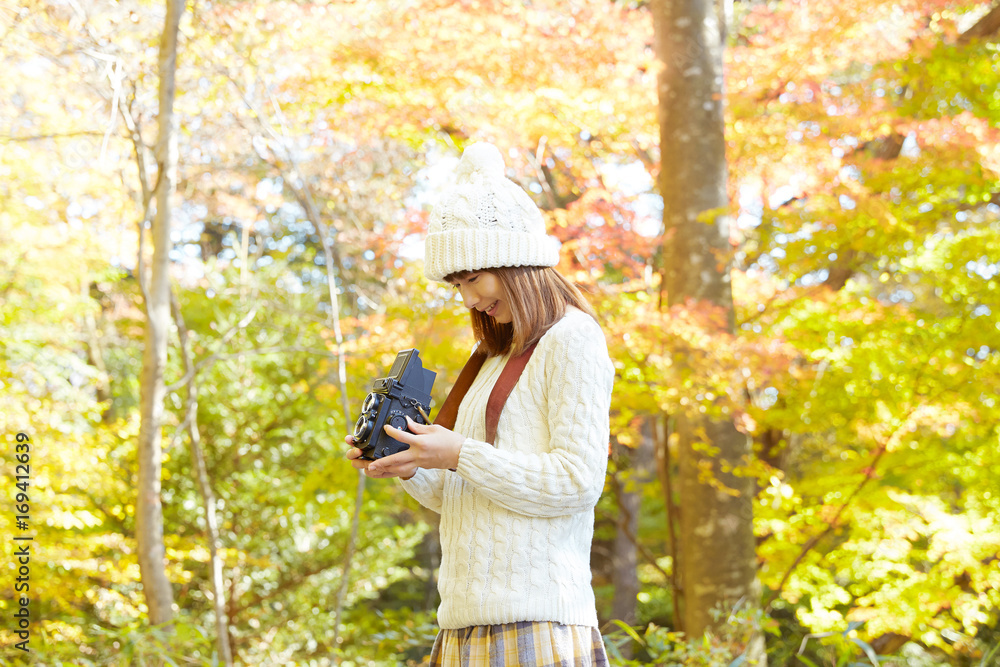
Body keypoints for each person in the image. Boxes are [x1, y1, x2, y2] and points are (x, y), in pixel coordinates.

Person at [346, 142, 615, 666]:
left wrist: (459, 453)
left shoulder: (572, 339)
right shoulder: (491, 357)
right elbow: (464, 496)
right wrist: (407, 464)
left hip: (535, 622)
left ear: (518, 262)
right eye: (458, 285)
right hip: (465, 623)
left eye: (474, 278)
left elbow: (578, 482)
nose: (469, 299)